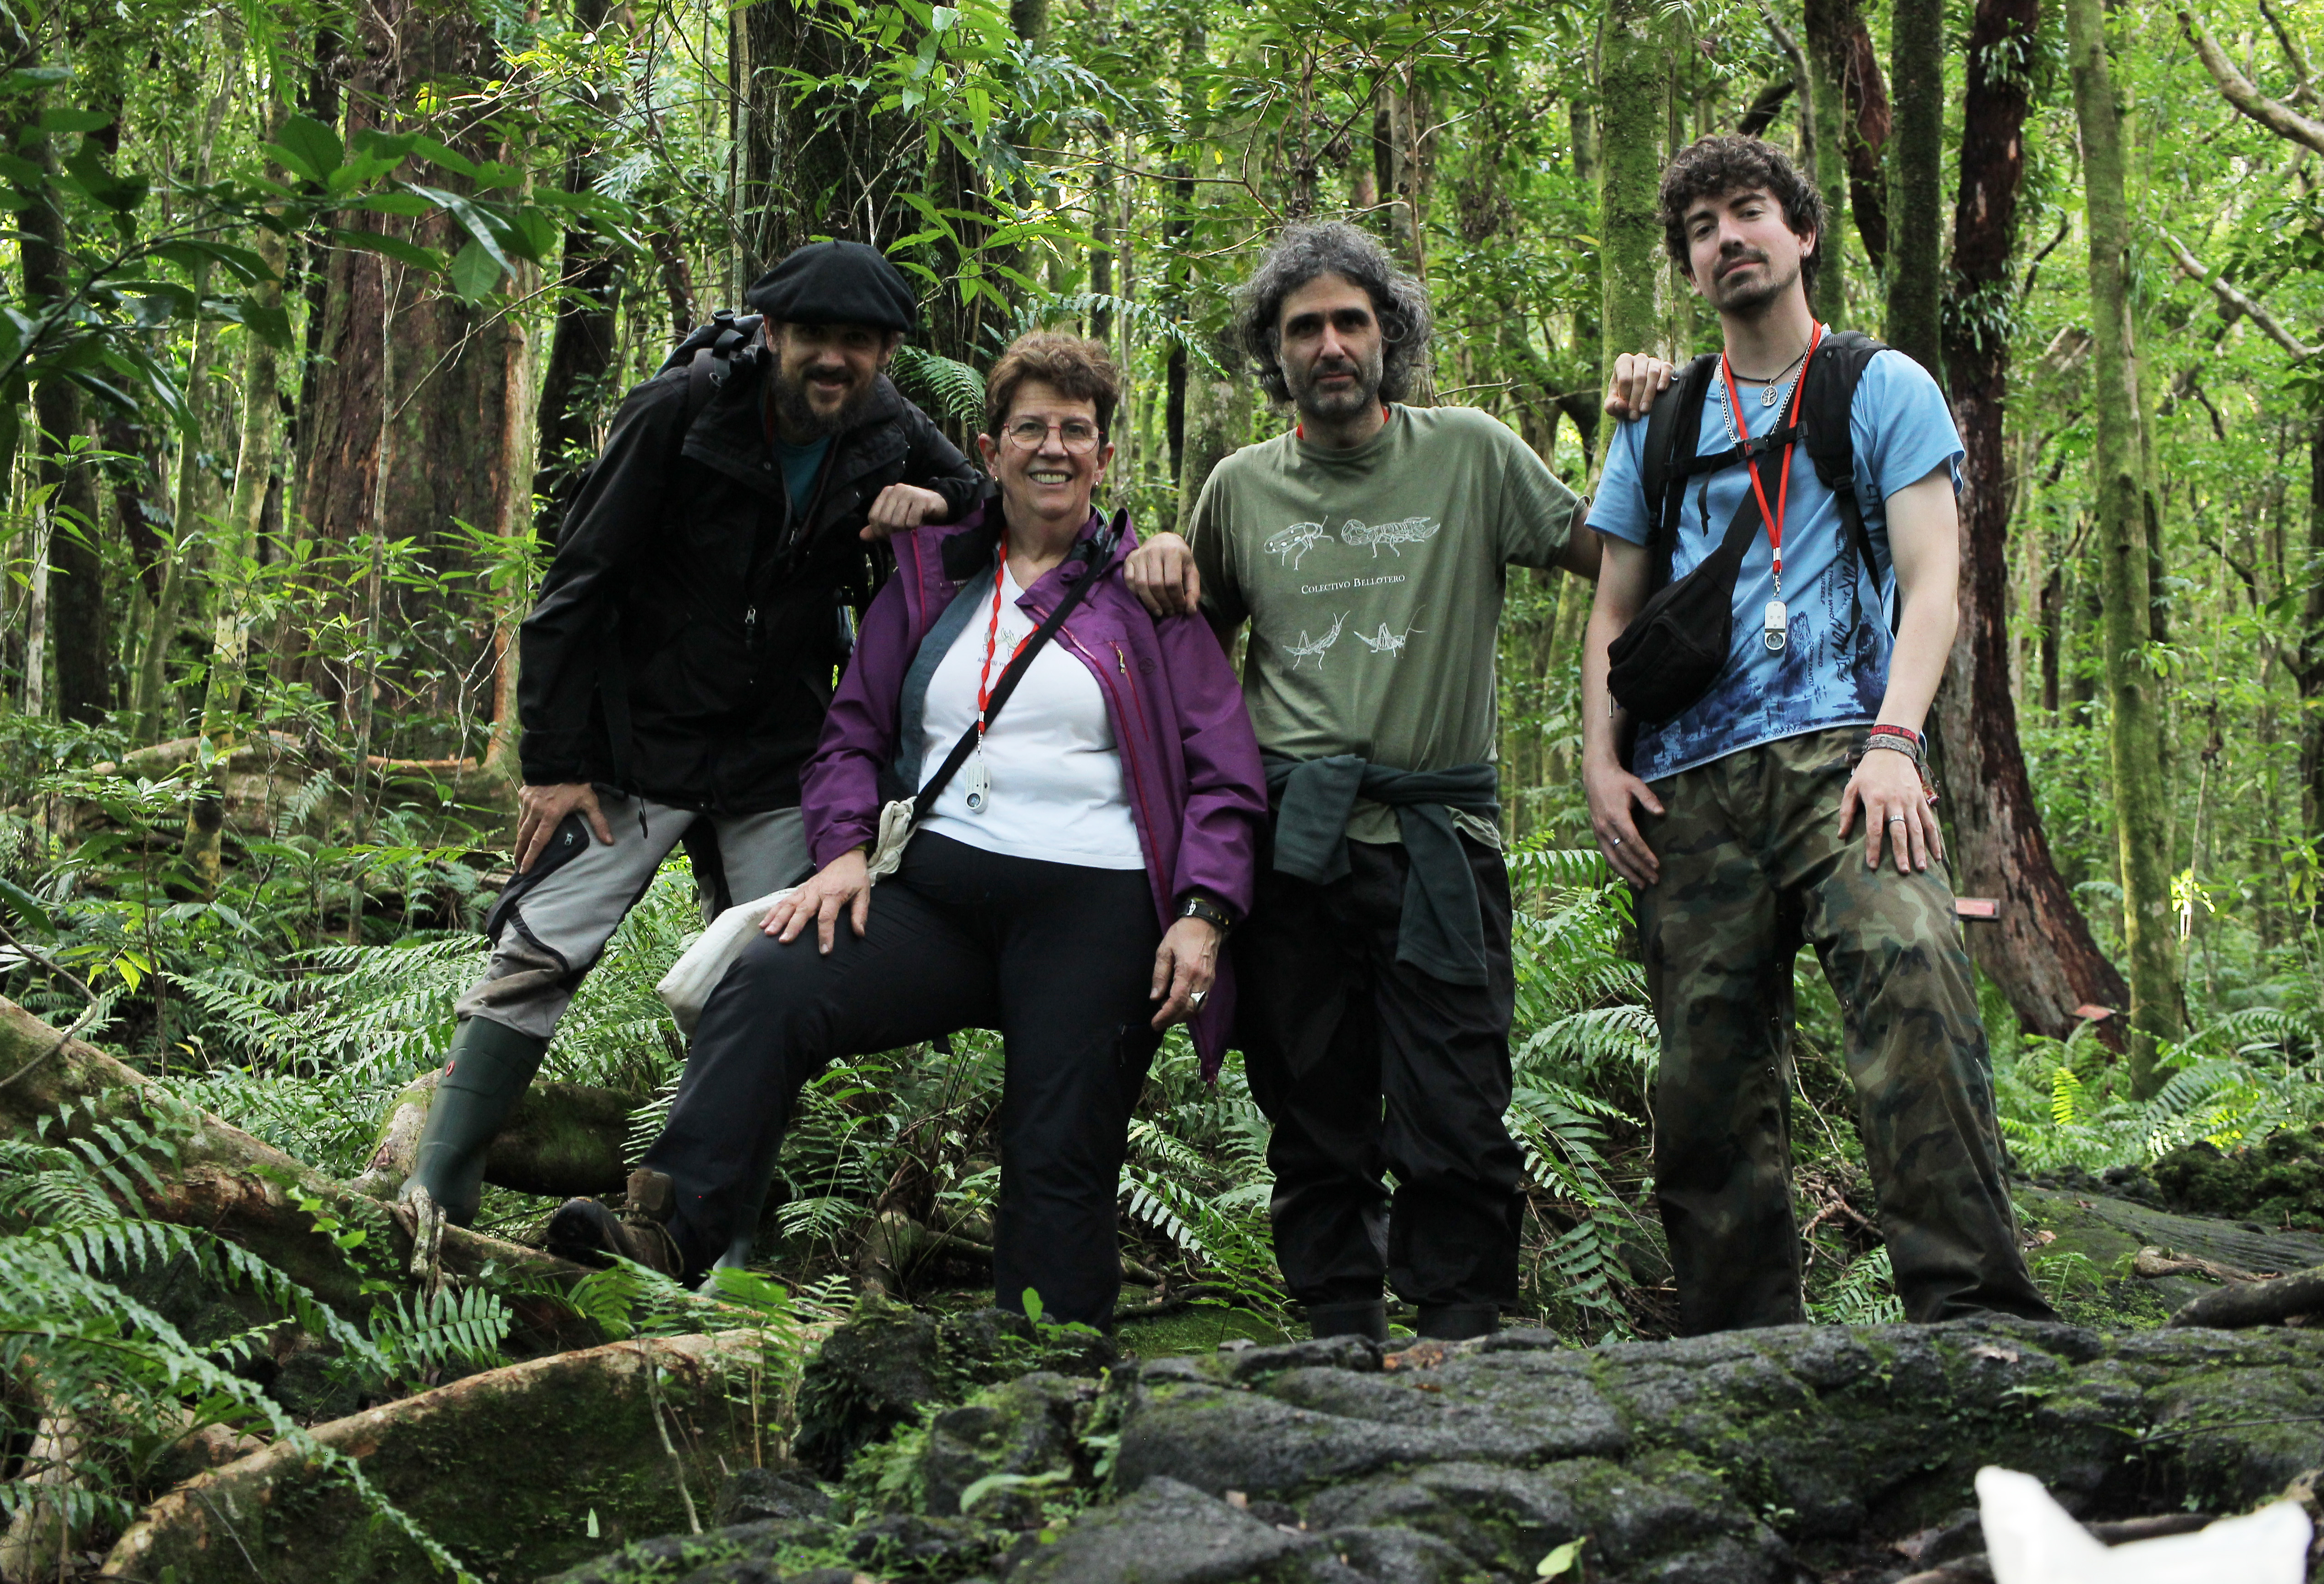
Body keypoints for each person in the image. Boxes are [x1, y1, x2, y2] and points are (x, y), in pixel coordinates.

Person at [545, 333, 1267, 1330]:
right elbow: (851, 734)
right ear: (989, 446)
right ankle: (668, 1228)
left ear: (1103, 456)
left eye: (1076, 431)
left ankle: (1045, 1376)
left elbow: (1226, 773)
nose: (1052, 449)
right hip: (936, 897)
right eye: (1030, 429)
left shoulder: (1147, 595)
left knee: (1059, 1149)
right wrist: (840, 854)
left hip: (1094, 913)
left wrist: (1202, 913)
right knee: (773, 976)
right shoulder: (932, 580)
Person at [399, 241, 983, 1232]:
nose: (832, 361)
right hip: (636, 745)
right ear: (771, 335)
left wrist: (936, 505)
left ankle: (716, 1235)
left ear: (886, 353)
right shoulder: (682, 410)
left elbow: (991, 510)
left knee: (764, 975)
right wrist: (553, 762)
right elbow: (575, 585)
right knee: (540, 951)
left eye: (857, 343)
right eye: (812, 339)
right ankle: (437, 1198)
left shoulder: (893, 430)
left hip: (775, 752)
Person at [1581, 134, 2053, 1331]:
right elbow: (1615, 609)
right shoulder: (1661, 420)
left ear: (1800, 233)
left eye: (1749, 213)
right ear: (1689, 265)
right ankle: (1740, 1346)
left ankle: (1973, 1315)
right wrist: (1599, 760)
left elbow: (1935, 583)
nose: (1727, 239)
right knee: (1704, 1075)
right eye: (1701, 229)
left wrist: (1897, 742)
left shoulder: (1881, 387)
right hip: (1690, 784)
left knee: (1916, 990)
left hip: (1855, 759)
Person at [1123, 222, 1601, 1344]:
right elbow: (1195, 663)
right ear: (1274, 354)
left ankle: (1461, 1327)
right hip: (1297, 847)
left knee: (1458, 1100)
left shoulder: (1472, 454)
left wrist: (1652, 439)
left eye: (1351, 322)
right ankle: (1337, 1327)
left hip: (1442, 840)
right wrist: (1150, 550)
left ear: (1389, 336)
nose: (1331, 344)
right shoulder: (1239, 489)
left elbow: (1614, 556)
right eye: (1305, 329)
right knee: (1309, 1101)